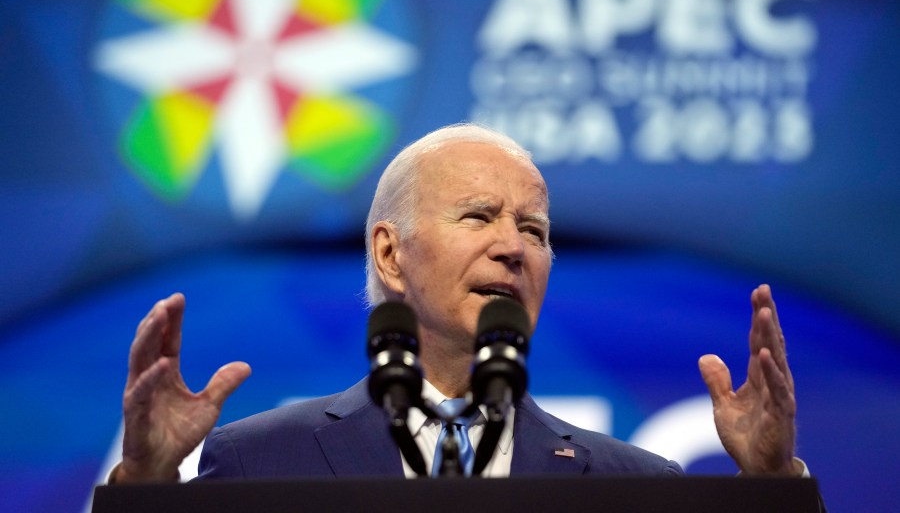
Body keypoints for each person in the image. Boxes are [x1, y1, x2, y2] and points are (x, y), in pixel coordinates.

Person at [110, 123, 804, 483]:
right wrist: (143, 484)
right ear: (390, 254)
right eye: (479, 217)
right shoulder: (261, 459)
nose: (514, 248)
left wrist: (774, 488)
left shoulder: (637, 484)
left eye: (534, 230)